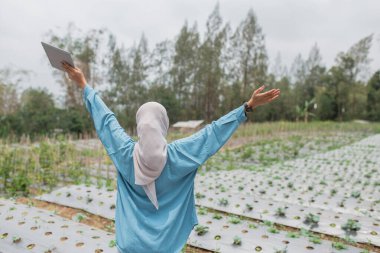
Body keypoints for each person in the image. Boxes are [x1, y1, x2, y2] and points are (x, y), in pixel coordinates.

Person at [62, 62, 280, 253]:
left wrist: (83, 84)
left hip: (130, 244)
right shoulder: (180, 155)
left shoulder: (125, 153)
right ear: (164, 124)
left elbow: (106, 120)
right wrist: (247, 107)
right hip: (166, 245)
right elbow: (213, 133)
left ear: (139, 125)